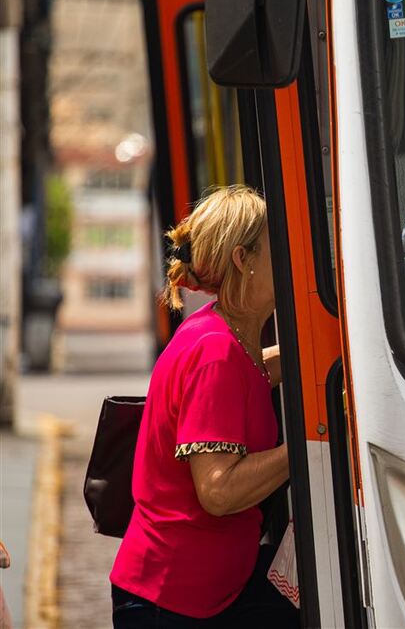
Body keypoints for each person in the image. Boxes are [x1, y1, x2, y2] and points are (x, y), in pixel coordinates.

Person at [109, 185, 297, 628]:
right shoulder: (216, 352)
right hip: (174, 603)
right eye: (278, 244)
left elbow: (252, 375)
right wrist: (317, 440)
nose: (290, 255)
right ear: (242, 260)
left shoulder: (223, 334)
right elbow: (218, 491)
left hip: (206, 592)